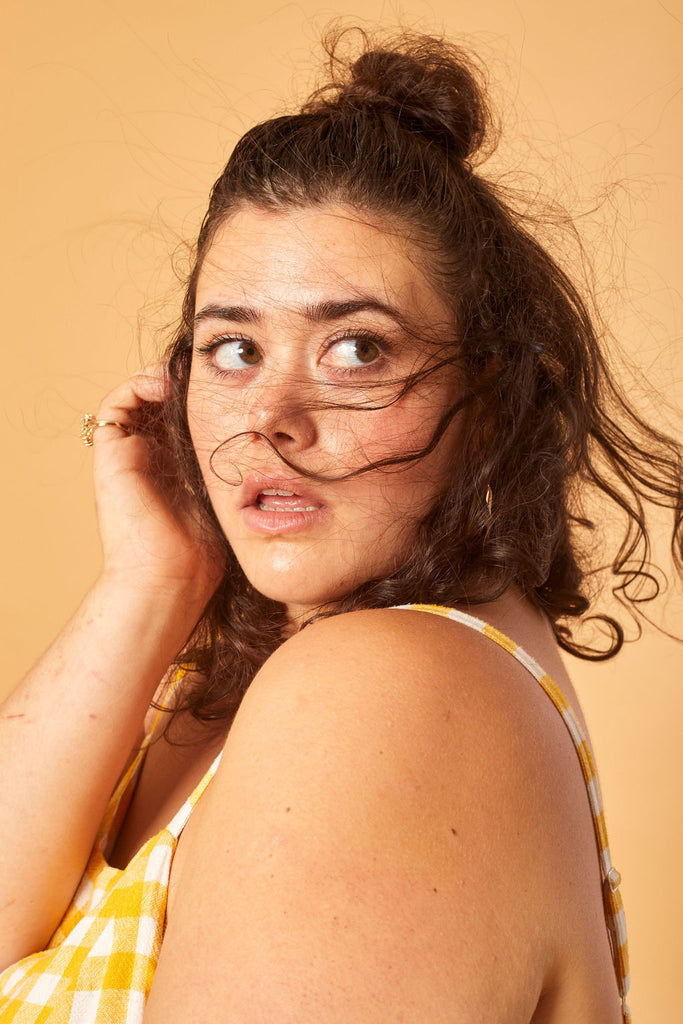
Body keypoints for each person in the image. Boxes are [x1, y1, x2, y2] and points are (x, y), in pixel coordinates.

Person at [0, 27, 679, 1023]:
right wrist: (151, 581)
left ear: (489, 395)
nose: (269, 417)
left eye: (356, 348)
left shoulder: (383, 691)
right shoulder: (222, 681)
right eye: (233, 349)